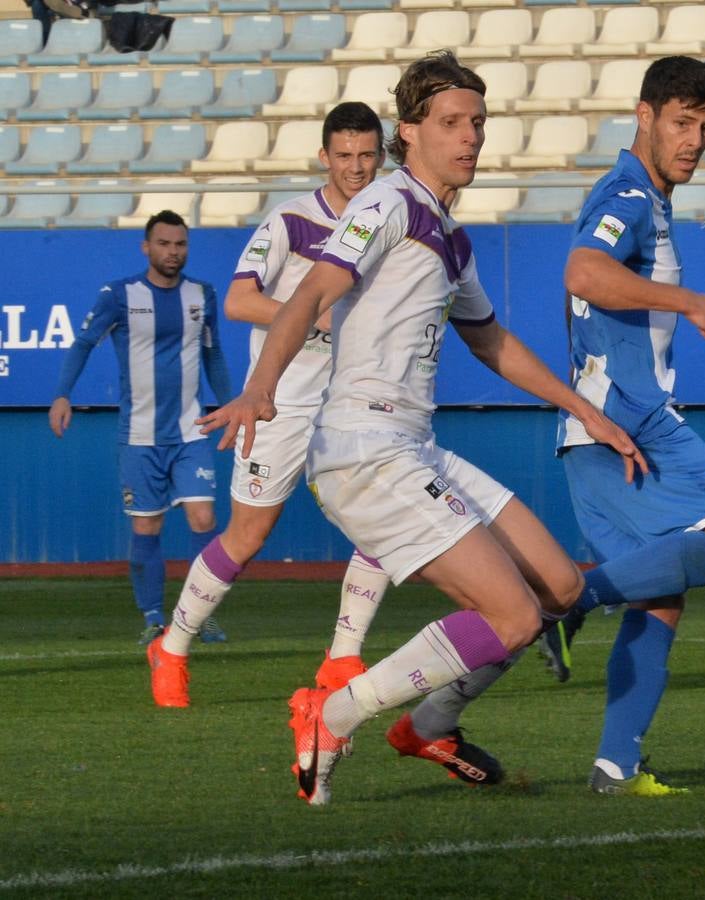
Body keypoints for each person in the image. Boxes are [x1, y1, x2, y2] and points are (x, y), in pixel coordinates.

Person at [198, 51, 647, 806]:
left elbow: (490, 341)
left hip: (412, 445)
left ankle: (431, 722)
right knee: (508, 615)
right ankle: (332, 714)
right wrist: (259, 388)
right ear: (409, 132)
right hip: (361, 450)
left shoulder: (448, 235)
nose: (470, 136)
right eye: (450, 123)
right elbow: (312, 291)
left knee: (559, 588)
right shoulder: (385, 203)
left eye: (476, 122)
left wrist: (587, 411)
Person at [546, 55, 705, 797]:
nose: (694, 140)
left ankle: (615, 764)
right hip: (628, 421)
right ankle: (566, 600)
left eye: (704, 127)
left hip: (596, 430)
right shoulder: (628, 192)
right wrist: (689, 302)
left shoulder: (650, 198)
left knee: (658, 595)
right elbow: (582, 271)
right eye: (681, 123)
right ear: (644, 116)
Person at [146, 103, 393, 709]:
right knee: (248, 536)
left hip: (357, 403)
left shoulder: (390, 219)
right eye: (344, 156)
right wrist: (322, 315)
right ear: (324, 157)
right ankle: (173, 646)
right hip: (280, 402)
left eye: (366, 156)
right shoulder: (291, 221)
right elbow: (237, 301)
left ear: (381, 157)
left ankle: (342, 657)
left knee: (387, 518)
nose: (356, 168)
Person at [50, 211, 232, 645]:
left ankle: (199, 613)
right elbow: (82, 343)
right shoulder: (119, 295)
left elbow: (214, 356)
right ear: (146, 248)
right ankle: (153, 615)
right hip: (140, 436)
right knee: (146, 528)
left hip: (191, 431)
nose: (173, 252)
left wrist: (230, 407)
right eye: (164, 244)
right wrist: (62, 394)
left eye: (180, 244)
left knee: (204, 518)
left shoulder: (201, 294)